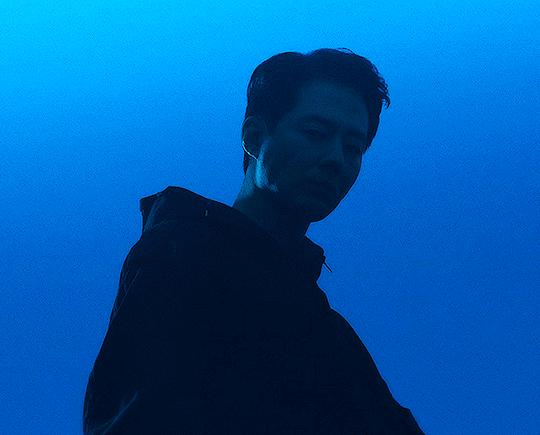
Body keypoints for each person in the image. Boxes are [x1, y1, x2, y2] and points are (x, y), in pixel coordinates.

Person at [83, 48, 426, 434]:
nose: (336, 159)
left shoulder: (331, 333)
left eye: (353, 147)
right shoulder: (182, 254)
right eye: (315, 133)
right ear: (254, 136)